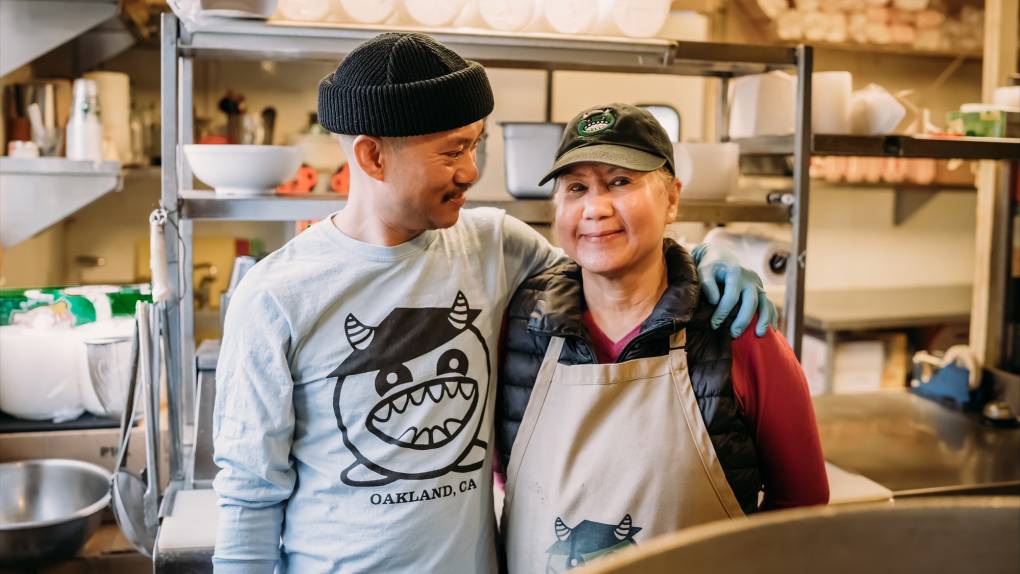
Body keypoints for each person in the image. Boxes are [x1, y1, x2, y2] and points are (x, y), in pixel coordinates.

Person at [212, 34, 775, 574]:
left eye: (476, 144)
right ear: (372, 157)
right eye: (452, 151)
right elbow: (249, 494)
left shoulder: (492, 245)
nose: (472, 171)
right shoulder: (275, 297)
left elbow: (608, 260)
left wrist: (705, 257)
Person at [497, 103, 829, 574]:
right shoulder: (518, 327)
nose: (595, 207)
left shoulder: (738, 333)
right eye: (576, 188)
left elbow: (803, 503)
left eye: (620, 181)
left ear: (672, 199)